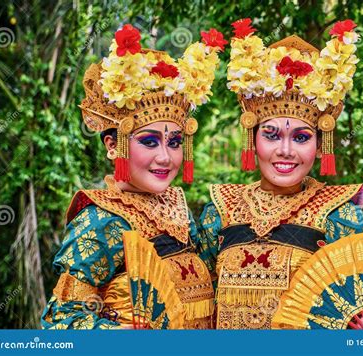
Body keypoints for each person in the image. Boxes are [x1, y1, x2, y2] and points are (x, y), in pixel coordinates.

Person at [198, 19, 363, 329]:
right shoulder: (221, 211)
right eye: (272, 135)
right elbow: (196, 299)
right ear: (252, 139)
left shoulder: (339, 214)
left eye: (301, 138)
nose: (286, 151)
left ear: (321, 145)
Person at [41, 24, 227, 329]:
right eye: (150, 142)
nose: (165, 157)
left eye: (175, 142)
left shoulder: (178, 209)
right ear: (113, 145)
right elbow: (63, 319)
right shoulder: (99, 219)